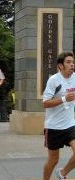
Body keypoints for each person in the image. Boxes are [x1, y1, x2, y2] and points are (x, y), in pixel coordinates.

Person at [43, 52, 75, 180]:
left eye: (73, 62)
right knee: (53, 160)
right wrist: (64, 99)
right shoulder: (54, 80)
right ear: (60, 66)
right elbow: (45, 103)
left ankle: (62, 174)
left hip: (70, 124)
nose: (72, 64)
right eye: (68, 62)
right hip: (53, 127)